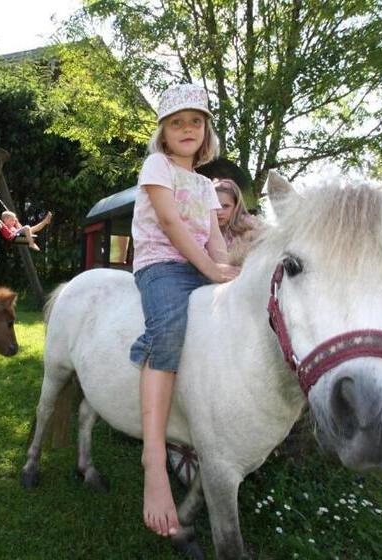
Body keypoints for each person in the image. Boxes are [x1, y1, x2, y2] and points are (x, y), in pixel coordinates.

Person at [129, 83, 237, 537]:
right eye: (177, 123)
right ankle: (154, 461)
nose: (187, 129)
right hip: (162, 266)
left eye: (195, 121)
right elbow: (171, 224)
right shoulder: (158, 165)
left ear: (206, 130)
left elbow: (214, 235)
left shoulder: (206, 185)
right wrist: (211, 270)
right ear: (164, 132)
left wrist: (227, 269)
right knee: (170, 328)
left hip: (201, 264)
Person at [214, 178, 263, 268]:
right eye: (215, 206)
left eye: (226, 206)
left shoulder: (251, 227)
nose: (219, 212)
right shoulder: (204, 230)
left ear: (236, 206)